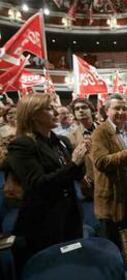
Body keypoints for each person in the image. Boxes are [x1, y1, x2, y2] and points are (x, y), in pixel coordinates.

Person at [7, 93, 89, 269]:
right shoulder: (22, 145)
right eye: (49, 108)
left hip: (70, 215)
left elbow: (74, 174)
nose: (56, 112)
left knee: (72, 268)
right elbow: (38, 184)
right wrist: (74, 163)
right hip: (42, 222)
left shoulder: (61, 141)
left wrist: (80, 161)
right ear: (34, 114)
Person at [91, 93, 127, 248]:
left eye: (125, 108)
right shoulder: (100, 132)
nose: (121, 112)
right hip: (114, 197)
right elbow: (101, 162)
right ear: (106, 111)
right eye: (117, 108)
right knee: (116, 244)